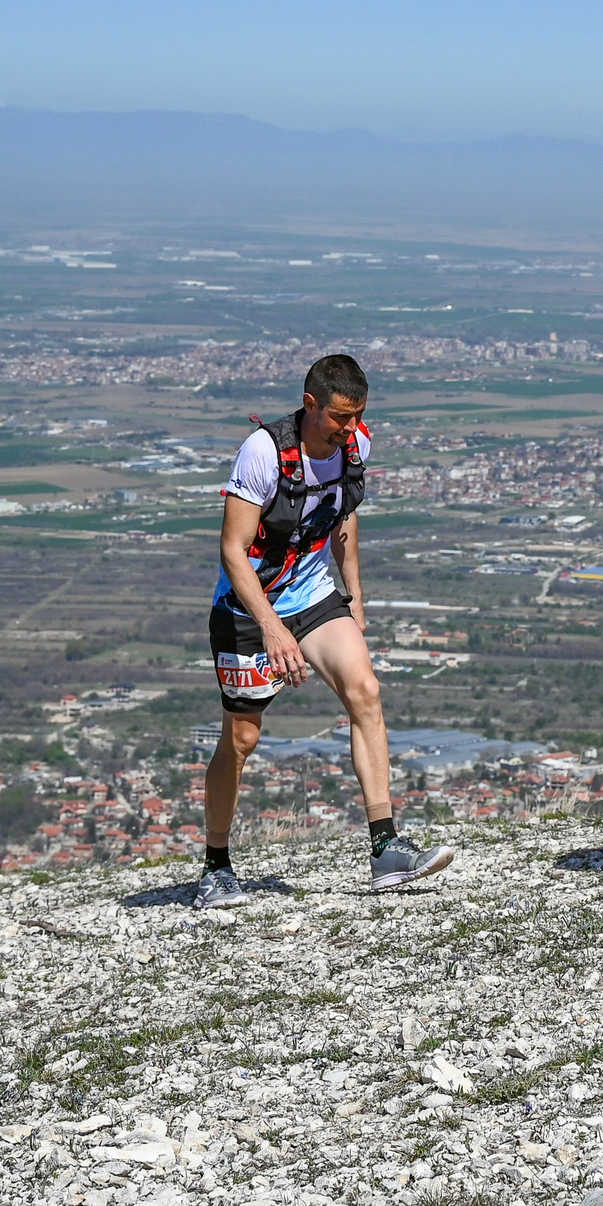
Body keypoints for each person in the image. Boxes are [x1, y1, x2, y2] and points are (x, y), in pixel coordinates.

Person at [197, 352, 451, 909]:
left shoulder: (355, 446)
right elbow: (233, 551)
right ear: (310, 404)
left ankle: (385, 847)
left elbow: (343, 518)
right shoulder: (265, 451)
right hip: (248, 605)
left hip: (311, 593)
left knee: (366, 691)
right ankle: (216, 866)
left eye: (357, 416)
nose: (349, 428)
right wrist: (271, 629)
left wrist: (353, 597)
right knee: (242, 739)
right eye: (339, 417)